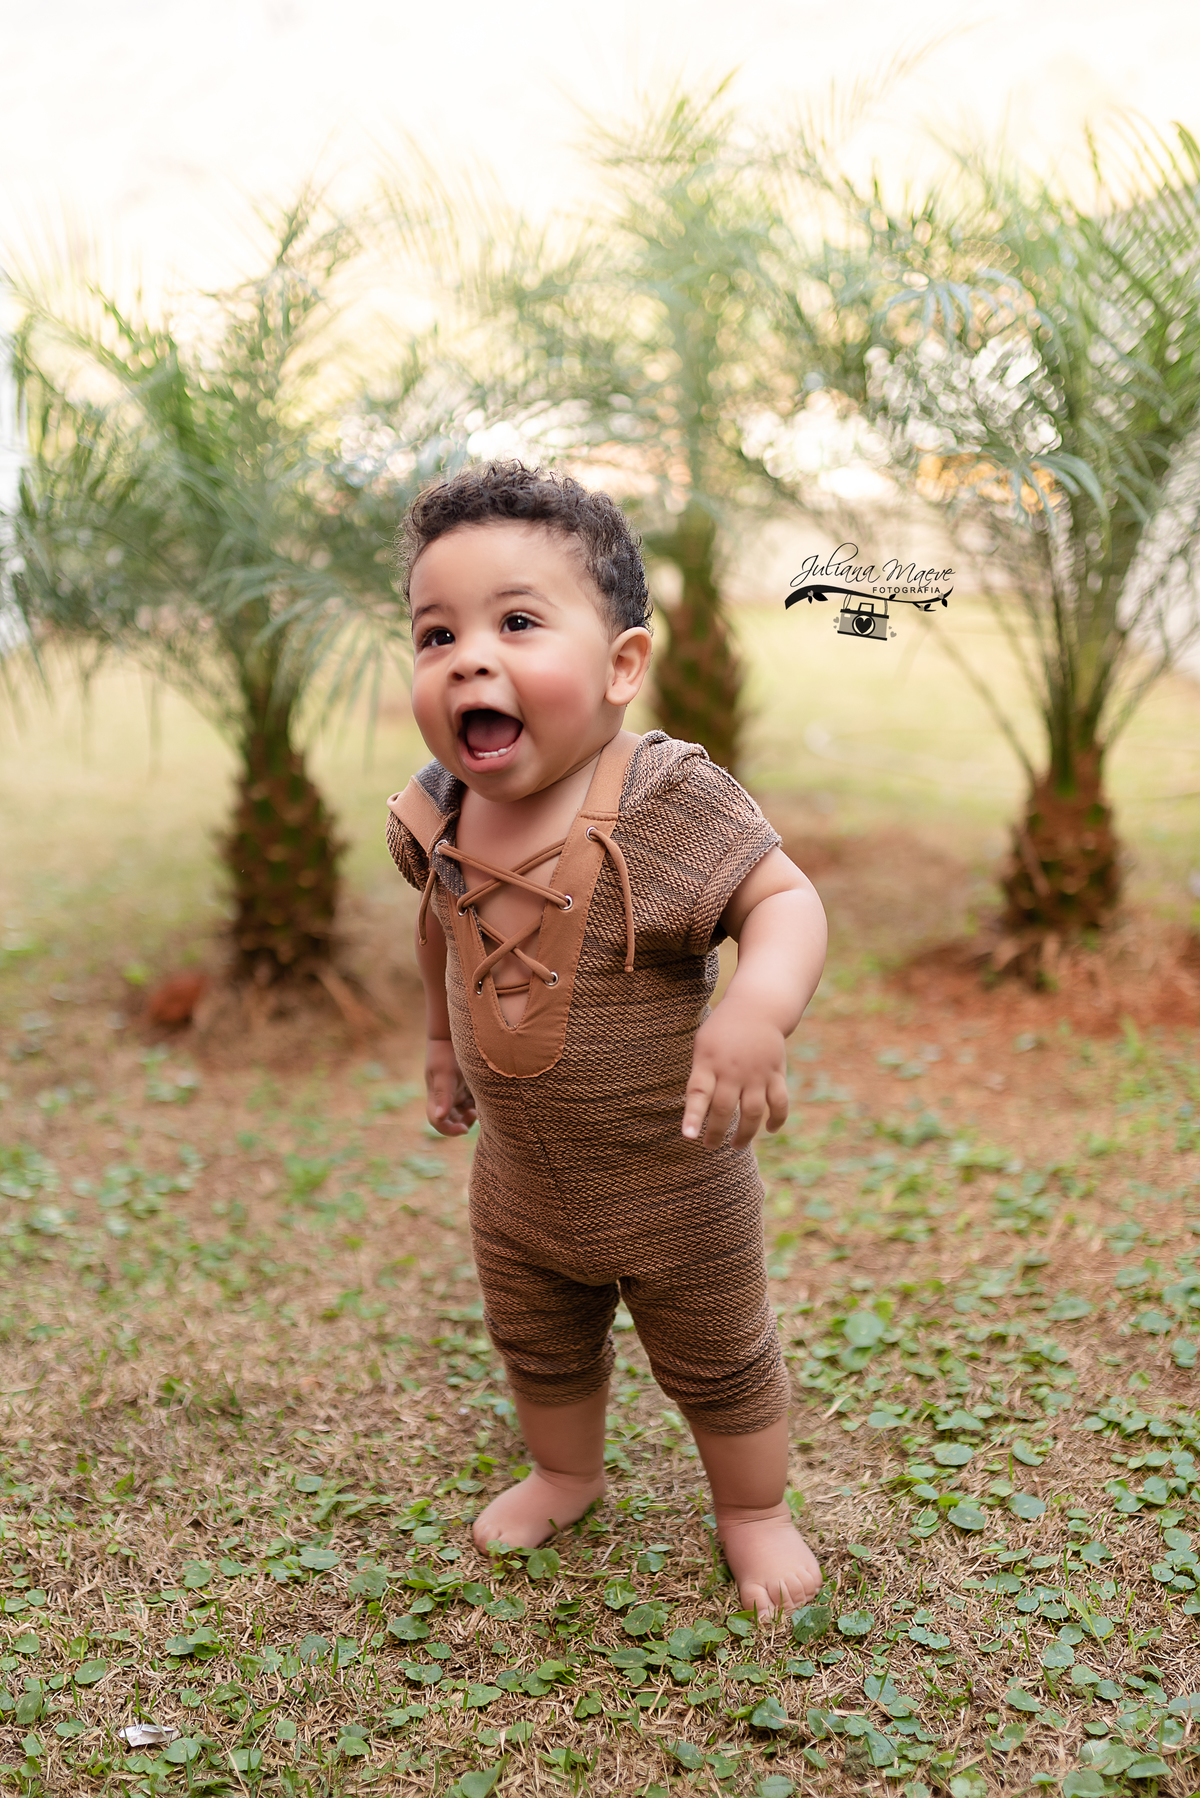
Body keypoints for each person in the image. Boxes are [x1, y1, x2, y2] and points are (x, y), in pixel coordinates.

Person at [386, 463, 827, 1619]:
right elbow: (439, 928)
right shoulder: (437, 812)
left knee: (722, 1354)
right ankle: (566, 1472)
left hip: (674, 1184)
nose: (470, 656)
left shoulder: (664, 802)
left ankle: (752, 1510)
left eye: (517, 622)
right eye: (438, 633)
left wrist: (754, 1007)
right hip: (521, 1185)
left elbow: (785, 902)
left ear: (623, 664)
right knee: (536, 1337)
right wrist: (441, 1042)